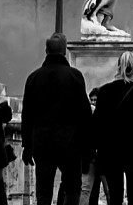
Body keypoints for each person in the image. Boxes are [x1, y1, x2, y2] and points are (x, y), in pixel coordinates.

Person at [23, 33, 94, 205]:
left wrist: (27, 145)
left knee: (43, 192)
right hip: (70, 144)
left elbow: (27, 115)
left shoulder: (34, 78)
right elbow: (85, 115)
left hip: (42, 143)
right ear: (64, 52)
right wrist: (88, 150)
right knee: (72, 189)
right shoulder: (74, 76)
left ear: (46, 51)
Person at [91, 51, 133, 205]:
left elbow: (97, 124)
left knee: (115, 197)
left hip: (111, 152)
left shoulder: (105, 91)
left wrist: (93, 150)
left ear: (118, 67)